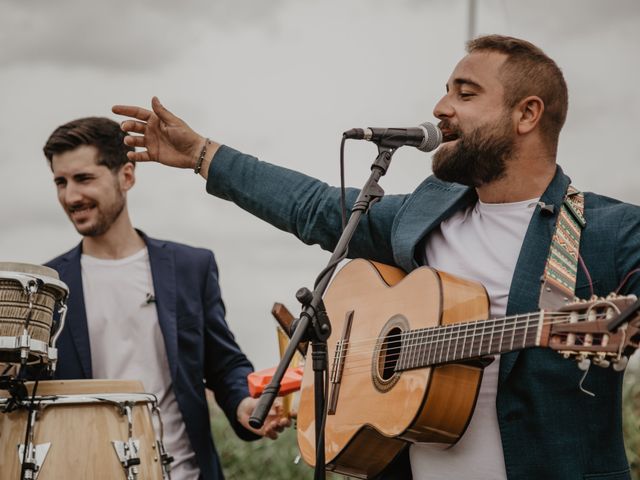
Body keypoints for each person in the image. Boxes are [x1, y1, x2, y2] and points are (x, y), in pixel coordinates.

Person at [112, 35, 640, 480]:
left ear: (527, 114)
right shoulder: (428, 213)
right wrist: (204, 155)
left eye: (466, 92)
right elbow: (314, 207)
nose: (440, 108)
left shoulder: (609, 232)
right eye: (445, 90)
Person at [42, 117, 289, 480]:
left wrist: (244, 404)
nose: (70, 196)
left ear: (126, 176)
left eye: (84, 178)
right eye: (60, 182)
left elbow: (223, 365)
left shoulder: (191, 267)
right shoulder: (47, 286)